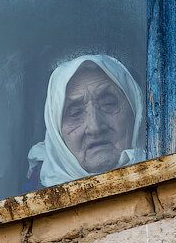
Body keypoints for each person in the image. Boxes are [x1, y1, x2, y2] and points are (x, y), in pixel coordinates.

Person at [27, 54, 145, 188]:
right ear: (57, 134)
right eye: (75, 113)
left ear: (135, 113)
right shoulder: (32, 200)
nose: (95, 127)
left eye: (109, 104)